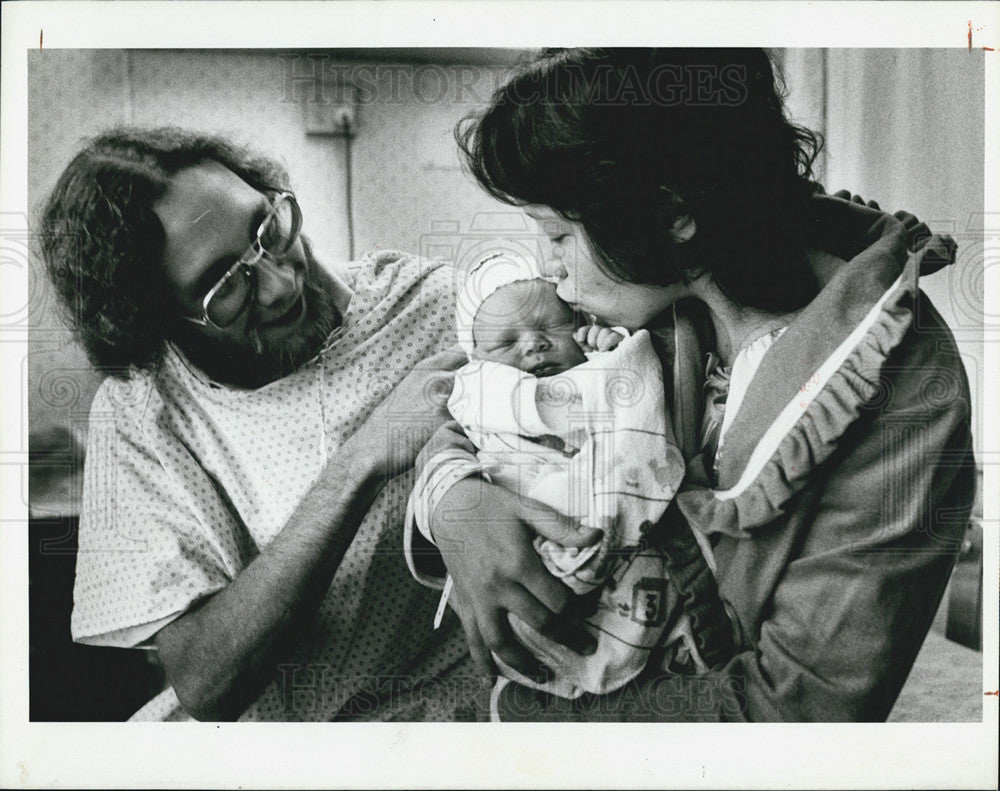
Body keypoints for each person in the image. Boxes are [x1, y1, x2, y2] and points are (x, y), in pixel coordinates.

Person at [407, 48, 977, 721]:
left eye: (557, 234)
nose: (549, 269)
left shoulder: (898, 389)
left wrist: (535, 721)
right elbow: (464, 395)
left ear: (671, 212)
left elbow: (794, 714)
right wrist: (452, 496)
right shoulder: (644, 290)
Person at [39, 127, 599, 721]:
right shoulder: (142, 415)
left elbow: (592, 407)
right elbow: (206, 682)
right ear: (157, 325)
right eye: (226, 287)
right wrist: (362, 462)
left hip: (468, 710)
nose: (281, 284)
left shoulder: (437, 307)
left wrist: (454, 500)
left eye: (268, 230)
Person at [406, 252, 734, 708]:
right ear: (479, 359)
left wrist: (608, 348)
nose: (534, 345)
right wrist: (448, 489)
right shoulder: (480, 400)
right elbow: (446, 454)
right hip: (528, 524)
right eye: (506, 342)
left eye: (550, 327)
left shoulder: (604, 364)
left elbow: (629, 392)